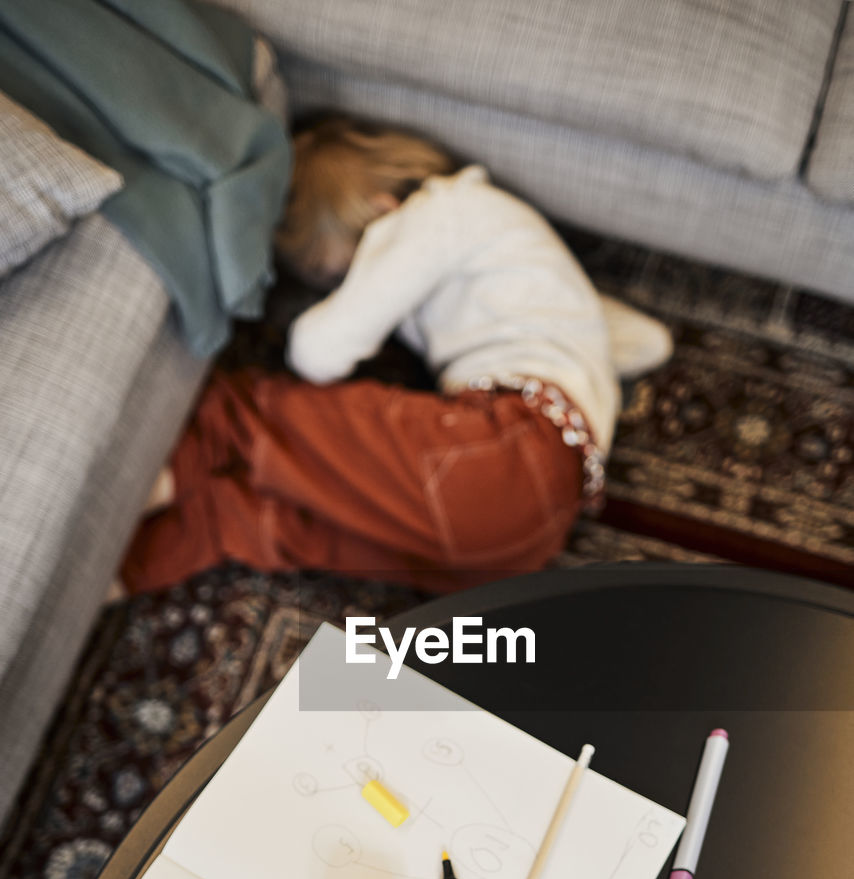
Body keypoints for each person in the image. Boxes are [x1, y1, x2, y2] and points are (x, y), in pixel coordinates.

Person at [120, 116, 672, 595]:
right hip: (531, 538)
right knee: (275, 521)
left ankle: (129, 491)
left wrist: (345, 303)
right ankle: (125, 569)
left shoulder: (443, 212)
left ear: (383, 211)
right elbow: (650, 342)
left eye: (344, 273)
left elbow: (319, 353)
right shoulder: (536, 270)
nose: (352, 286)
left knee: (244, 411)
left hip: (506, 456)